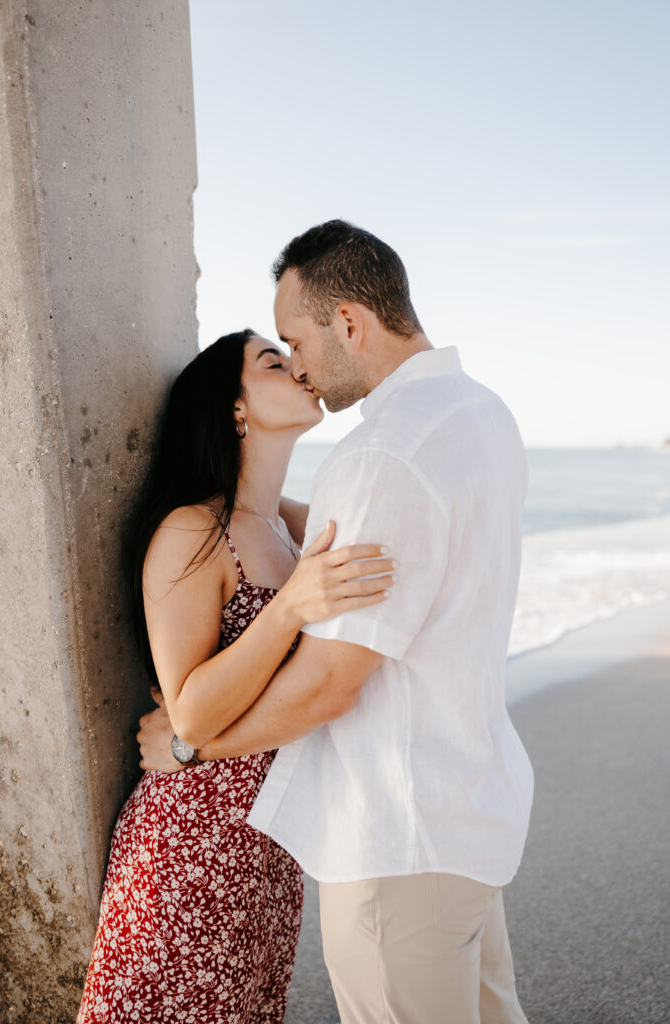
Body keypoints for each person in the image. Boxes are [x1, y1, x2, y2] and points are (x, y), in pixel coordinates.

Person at [139, 220, 534, 1023]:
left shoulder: (379, 455)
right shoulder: (479, 414)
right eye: (275, 356)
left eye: (295, 341)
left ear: (348, 322)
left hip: (394, 828)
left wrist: (188, 746)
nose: (301, 367)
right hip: (461, 807)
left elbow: (326, 687)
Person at [76, 327, 397, 1024]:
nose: (299, 370)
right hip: (191, 844)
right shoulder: (193, 530)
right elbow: (189, 714)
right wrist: (290, 608)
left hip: (273, 838)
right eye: (272, 362)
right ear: (234, 409)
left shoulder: (291, 527)